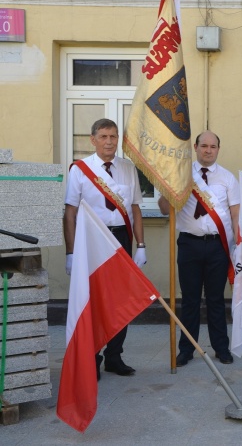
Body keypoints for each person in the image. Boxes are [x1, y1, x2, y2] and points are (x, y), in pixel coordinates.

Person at [63, 118, 146, 379]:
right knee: (96, 299)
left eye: (113, 136)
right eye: (104, 137)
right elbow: (70, 213)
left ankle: (114, 356)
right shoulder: (80, 169)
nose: (109, 141)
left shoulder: (127, 168)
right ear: (93, 139)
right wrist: (71, 251)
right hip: (92, 241)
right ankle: (92, 357)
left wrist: (141, 245)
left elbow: (135, 208)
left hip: (121, 238)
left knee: (120, 299)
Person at [158, 131, 239, 367]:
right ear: (195, 147)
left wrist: (238, 245)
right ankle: (187, 349)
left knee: (215, 299)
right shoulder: (183, 174)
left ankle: (221, 348)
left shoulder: (227, 178)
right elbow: (164, 209)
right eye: (204, 145)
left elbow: (235, 214)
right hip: (189, 244)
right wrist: (167, 186)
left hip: (217, 246)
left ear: (218, 149)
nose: (208, 150)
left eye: (213, 146)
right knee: (190, 300)